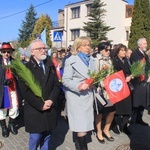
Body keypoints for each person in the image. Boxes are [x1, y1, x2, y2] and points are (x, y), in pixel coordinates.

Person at [18, 39, 60, 150]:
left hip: (50, 108)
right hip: (35, 110)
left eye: (44, 48)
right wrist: (40, 104)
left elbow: (56, 85)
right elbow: (25, 91)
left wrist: (51, 100)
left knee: (47, 136)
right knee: (35, 137)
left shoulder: (50, 65)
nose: (43, 51)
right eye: (39, 49)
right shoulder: (25, 68)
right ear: (32, 52)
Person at [62, 36, 96, 150]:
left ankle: (78, 142)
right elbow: (65, 80)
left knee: (84, 125)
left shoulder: (92, 60)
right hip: (77, 97)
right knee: (81, 127)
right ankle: (82, 147)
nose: (88, 47)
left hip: (88, 96)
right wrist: (78, 86)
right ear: (78, 47)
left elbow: (94, 76)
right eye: (85, 45)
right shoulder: (71, 60)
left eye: (89, 45)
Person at [95, 42, 115, 144]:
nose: (108, 52)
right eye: (106, 50)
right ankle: (99, 132)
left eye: (109, 50)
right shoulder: (97, 60)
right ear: (100, 50)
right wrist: (103, 83)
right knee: (100, 112)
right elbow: (94, 75)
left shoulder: (110, 60)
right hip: (100, 90)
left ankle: (106, 129)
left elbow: (111, 73)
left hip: (110, 90)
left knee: (112, 110)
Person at [112, 44, 133, 135]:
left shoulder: (127, 60)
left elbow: (131, 71)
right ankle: (115, 125)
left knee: (128, 108)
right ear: (117, 52)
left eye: (125, 50)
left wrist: (131, 76)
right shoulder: (114, 61)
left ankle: (124, 126)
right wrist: (124, 78)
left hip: (127, 87)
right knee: (118, 108)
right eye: (122, 50)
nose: (124, 52)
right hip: (118, 88)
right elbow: (114, 75)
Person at [0, 42, 19, 138]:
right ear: (1, 52)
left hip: (13, 88)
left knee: (15, 107)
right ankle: (3, 127)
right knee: (2, 109)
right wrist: (3, 80)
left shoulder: (15, 62)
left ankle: (11, 124)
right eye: (4, 52)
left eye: (8, 51)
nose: (6, 53)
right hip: (2, 90)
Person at [130, 38, 150, 126]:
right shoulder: (135, 54)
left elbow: (147, 66)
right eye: (144, 43)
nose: (146, 45)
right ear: (139, 45)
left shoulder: (145, 54)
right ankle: (133, 120)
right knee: (137, 102)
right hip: (138, 82)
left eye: (146, 43)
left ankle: (139, 118)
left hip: (144, 81)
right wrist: (146, 78)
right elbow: (138, 68)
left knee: (142, 101)